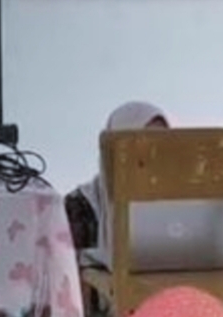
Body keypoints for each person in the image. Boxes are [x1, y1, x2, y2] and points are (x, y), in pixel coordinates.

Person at [64, 101, 169, 316]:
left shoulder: (179, 207)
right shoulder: (80, 206)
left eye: (164, 144)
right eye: (144, 142)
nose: (154, 153)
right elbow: (64, 282)